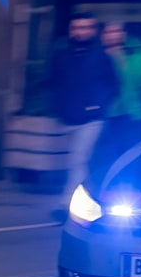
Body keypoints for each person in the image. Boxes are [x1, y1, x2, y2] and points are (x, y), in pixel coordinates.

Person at [47, 11, 119, 217]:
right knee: (76, 160)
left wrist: (98, 106)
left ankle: (65, 203)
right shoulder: (61, 55)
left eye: (86, 27)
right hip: (68, 117)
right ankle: (87, 201)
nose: (81, 32)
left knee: (77, 160)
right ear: (71, 30)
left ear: (93, 31)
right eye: (77, 27)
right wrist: (58, 107)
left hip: (92, 118)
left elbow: (112, 84)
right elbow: (53, 83)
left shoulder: (100, 57)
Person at [92, 20, 141, 172]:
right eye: (109, 32)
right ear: (102, 35)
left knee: (129, 154)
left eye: (117, 31)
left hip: (132, 113)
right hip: (103, 115)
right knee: (104, 157)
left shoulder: (137, 52)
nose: (114, 36)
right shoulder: (96, 55)